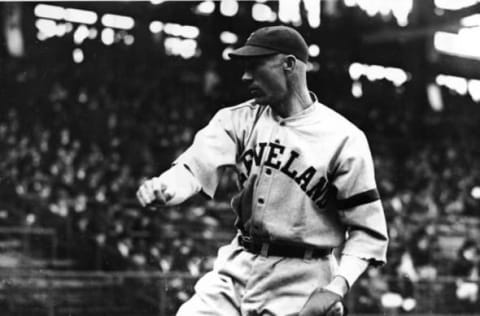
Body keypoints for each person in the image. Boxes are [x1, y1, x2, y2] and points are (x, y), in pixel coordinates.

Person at [137, 25, 388, 316]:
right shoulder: (238, 119)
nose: (246, 77)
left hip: (303, 278)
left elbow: (368, 232)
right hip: (239, 265)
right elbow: (194, 168)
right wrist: (165, 186)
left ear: (289, 64)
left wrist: (336, 287)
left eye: (255, 66)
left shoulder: (344, 138)